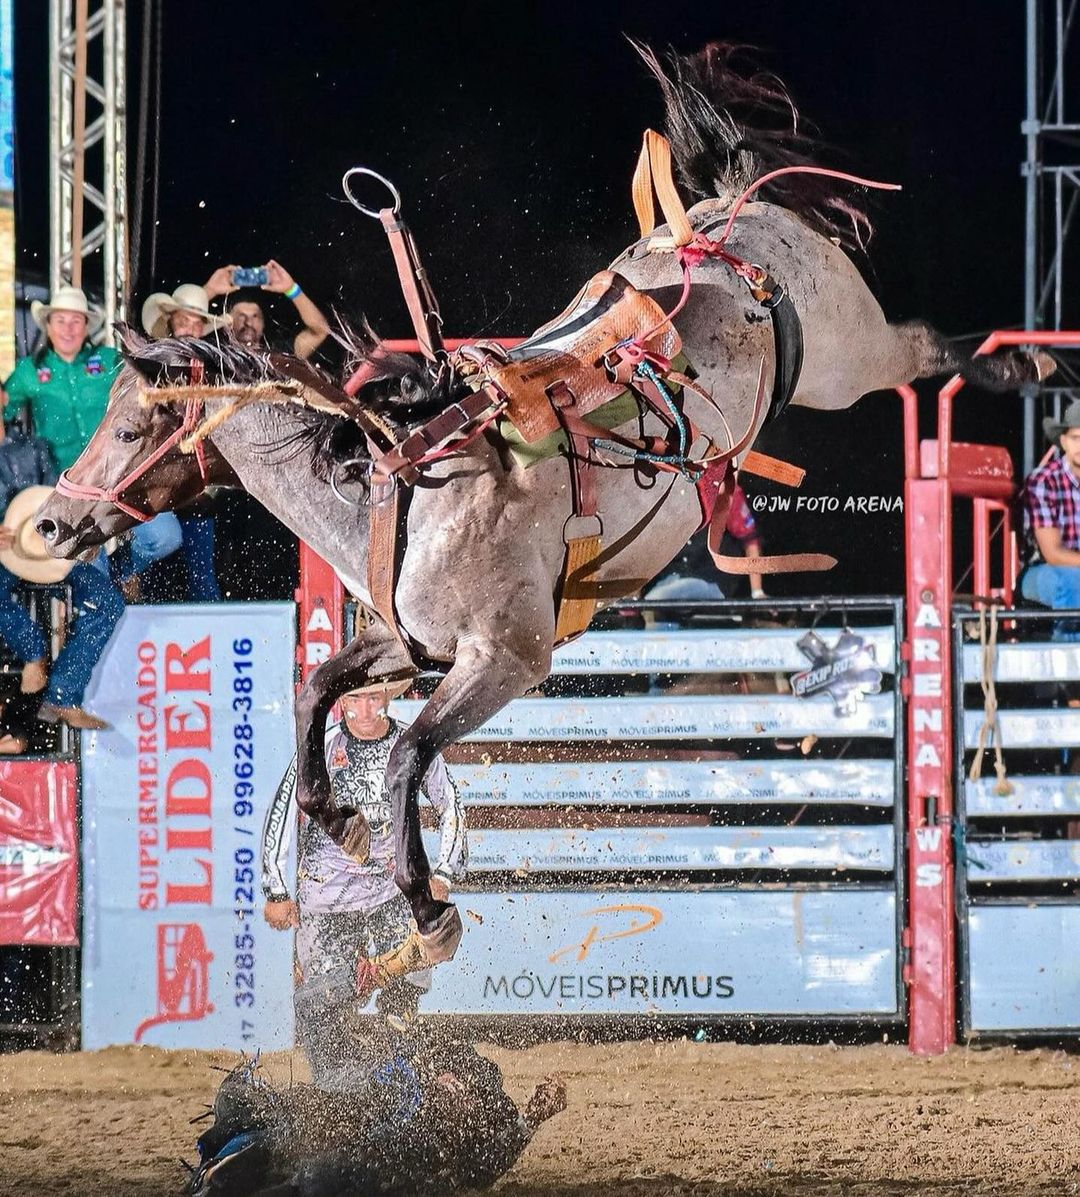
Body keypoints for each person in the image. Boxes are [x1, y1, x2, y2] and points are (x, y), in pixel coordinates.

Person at [261, 680, 467, 1090]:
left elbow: (450, 805)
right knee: (325, 998)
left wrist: (444, 872)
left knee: (408, 980)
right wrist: (277, 889)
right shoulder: (322, 749)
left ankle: (400, 1073)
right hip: (327, 894)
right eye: (357, 699)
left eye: (375, 698)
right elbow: (284, 808)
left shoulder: (410, 747)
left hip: (389, 890)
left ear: (388, 699)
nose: (367, 709)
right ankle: (338, 1087)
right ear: (343, 703)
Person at [186, 1035, 566, 1197]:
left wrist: (531, 1118)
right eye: (459, 1081)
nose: (461, 1091)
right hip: (339, 1120)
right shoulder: (409, 1071)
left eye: (471, 1095)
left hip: (361, 1164)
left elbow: (483, 1171)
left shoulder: (456, 1141)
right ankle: (218, 1175)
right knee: (271, 1124)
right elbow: (351, 1096)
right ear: (444, 1073)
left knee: (324, 1175)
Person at [1, 285, 183, 596]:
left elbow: (152, 385)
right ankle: (108, 589)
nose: (68, 329)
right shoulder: (30, 372)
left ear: (87, 326)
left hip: (123, 473)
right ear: (48, 325)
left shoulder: (110, 360)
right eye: (60, 321)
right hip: (70, 488)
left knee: (167, 536)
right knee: (93, 580)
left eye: (75, 321)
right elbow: (4, 406)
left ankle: (123, 571)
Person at [0, 443, 121, 731]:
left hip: (47, 556)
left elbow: (63, 501)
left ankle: (62, 693)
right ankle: (34, 654)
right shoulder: (32, 450)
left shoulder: (34, 449)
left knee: (108, 603)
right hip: (6, 561)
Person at [140, 283, 233, 602]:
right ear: (170, 325)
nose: (190, 329)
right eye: (183, 321)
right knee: (154, 566)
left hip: (196, 487)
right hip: (156, 481)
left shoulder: (215, 370)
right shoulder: (153, 365)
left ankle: (213, 635)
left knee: (201, 574)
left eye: (197, 323)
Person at [642, 481, 767, 602]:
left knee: (657, 599)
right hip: (671, 578)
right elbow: (646, 549)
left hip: (711, 580)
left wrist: (757, 592)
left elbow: (750, 541)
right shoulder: (666, 491)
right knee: (654, 607)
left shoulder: (723, 489)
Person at [1021, 398, 1080, 640]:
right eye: (1077, 438)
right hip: (1043, 573)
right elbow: (1053, 554)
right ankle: (1070, 669)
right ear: (1063, 441)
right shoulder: (1044, 480)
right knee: (1072, 579)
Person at [204, 259, 330, 358]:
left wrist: (292, 289)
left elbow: (320, 331)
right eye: (241, 316)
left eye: (255, 316)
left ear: (263, 324)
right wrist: (209, 290)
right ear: (227, 323)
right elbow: (184, 330)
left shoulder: (280, 355)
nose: (248, 322)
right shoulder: (213, 356)